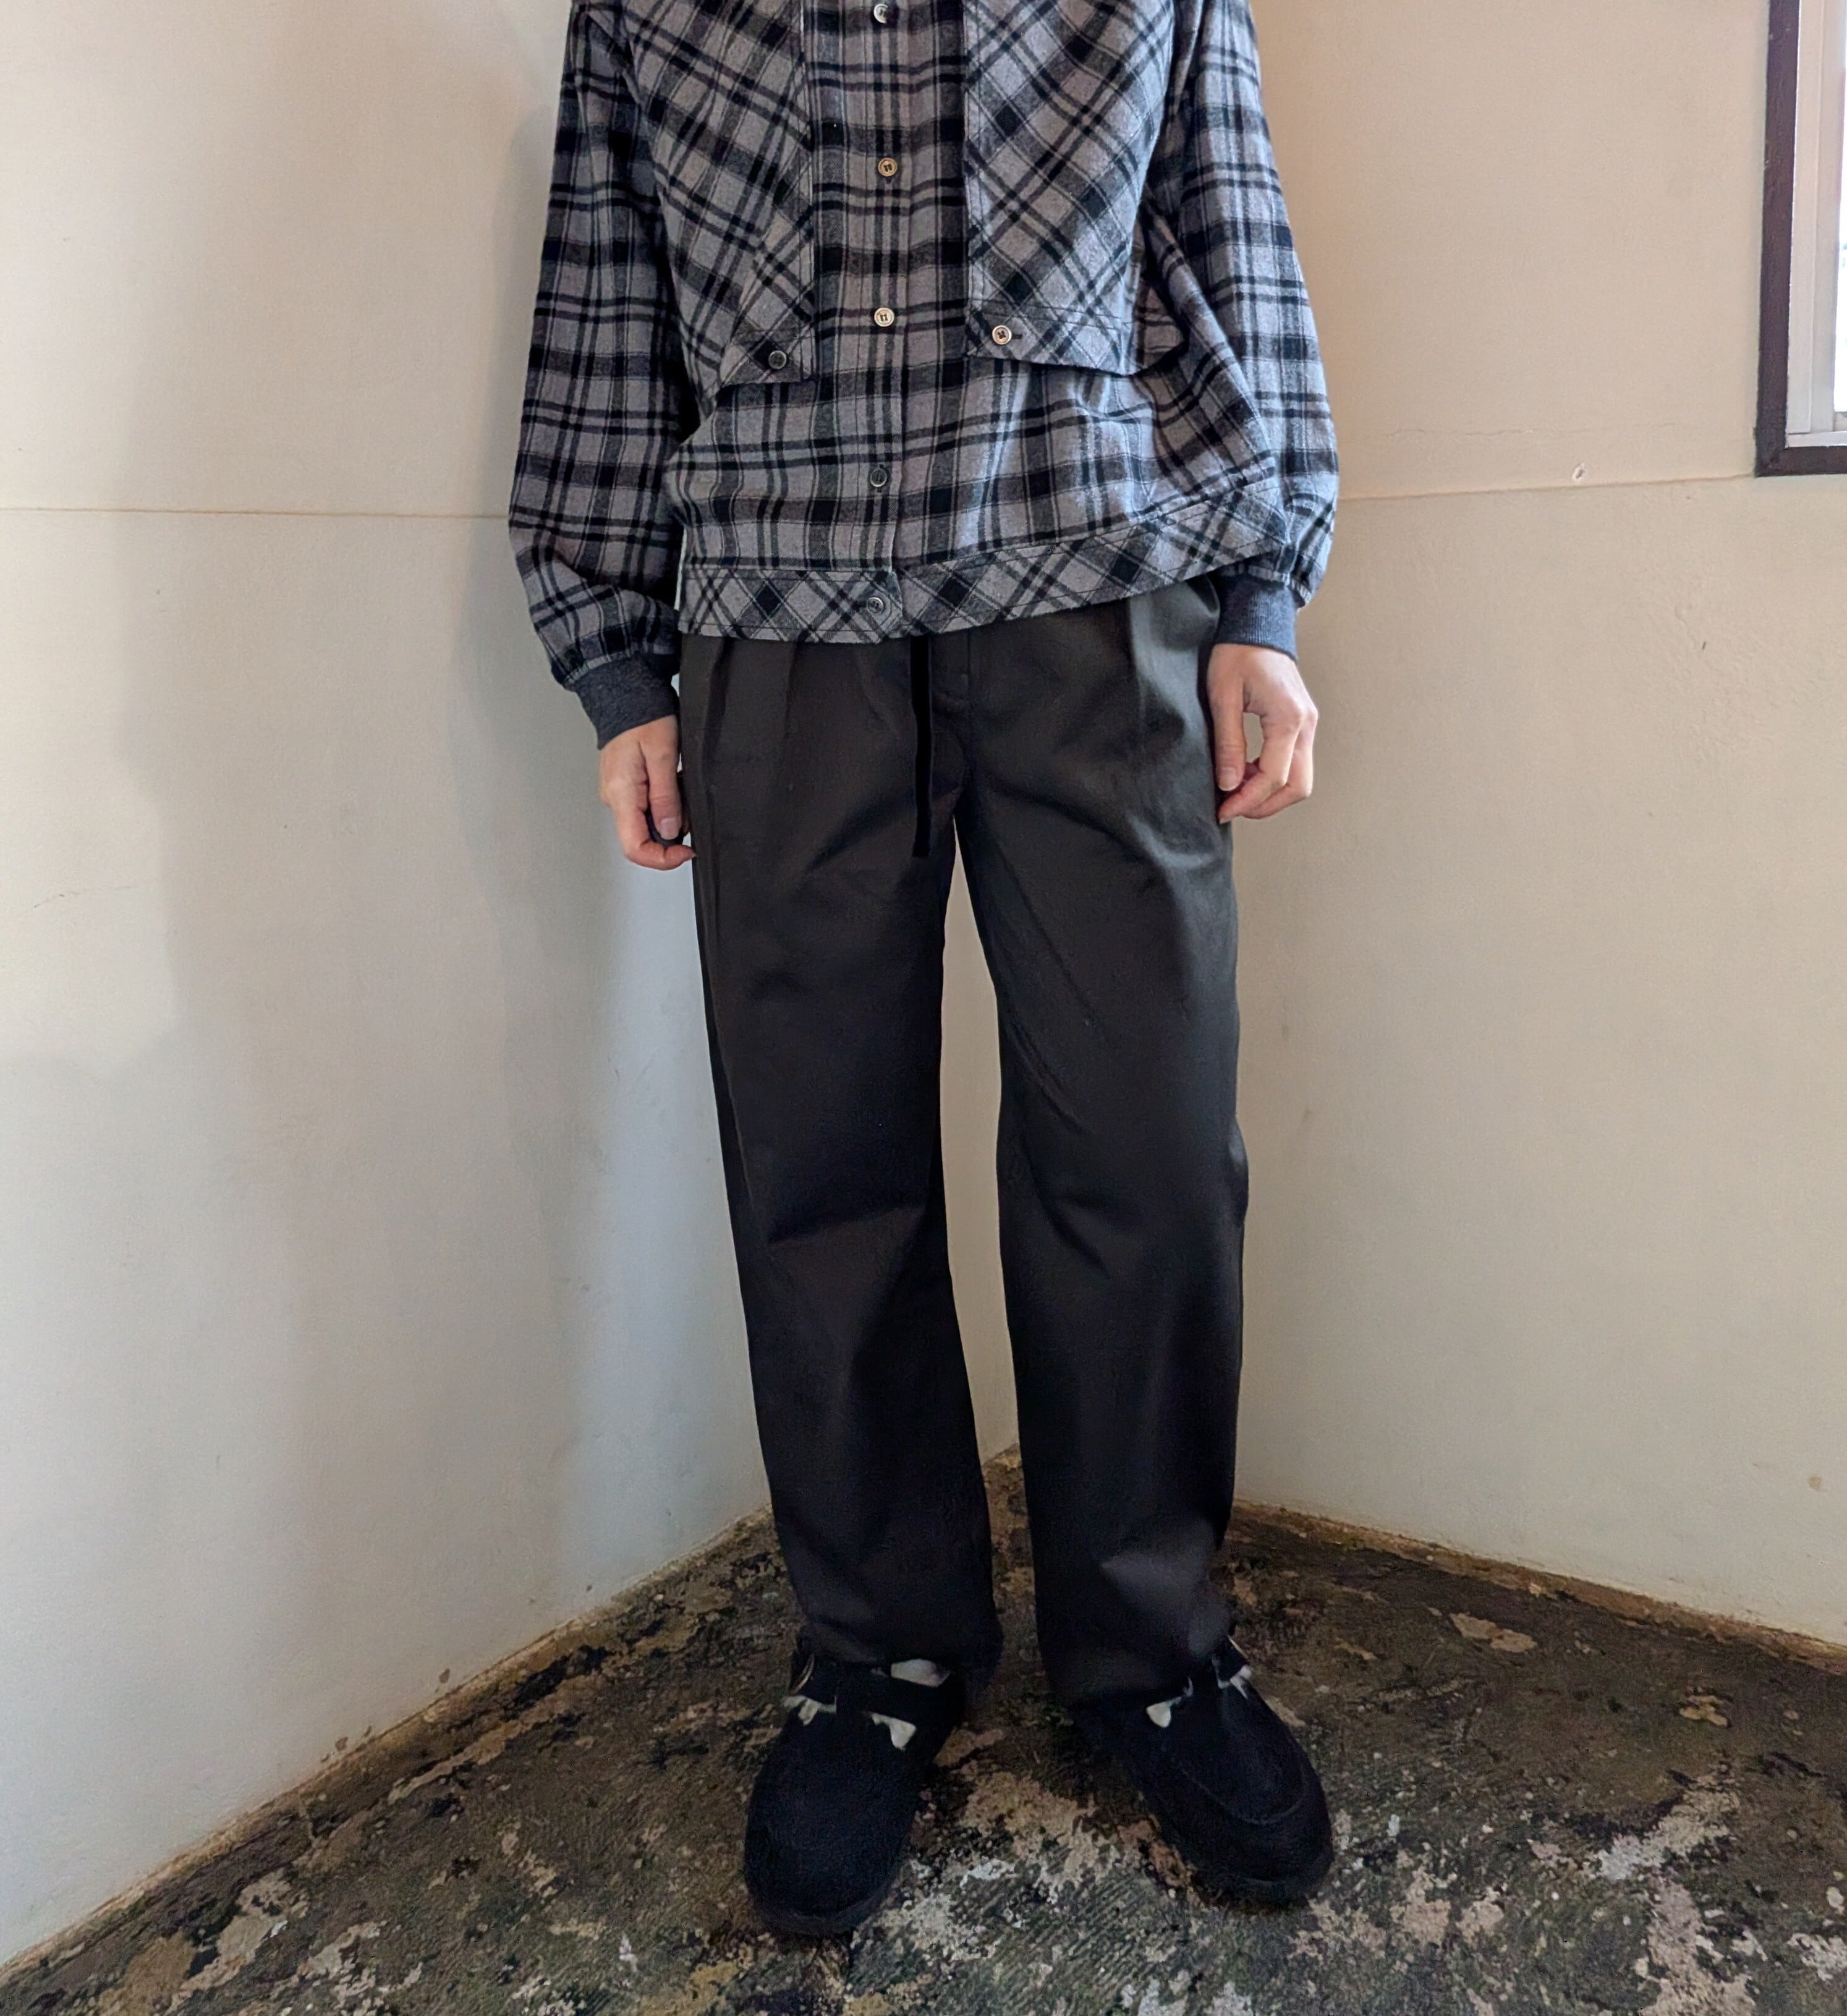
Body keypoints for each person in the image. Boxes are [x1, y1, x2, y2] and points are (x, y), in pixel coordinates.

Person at [511, 0, 1340, 1937]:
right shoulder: (641, 13)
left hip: (1098, 589)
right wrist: (617, 665)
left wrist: (1262, 596)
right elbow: (603, 316)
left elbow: (1234, 251)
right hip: (774, 614)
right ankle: (877, 1652)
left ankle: (1152, 1649)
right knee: (816, 1164)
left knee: (1142, 1147)